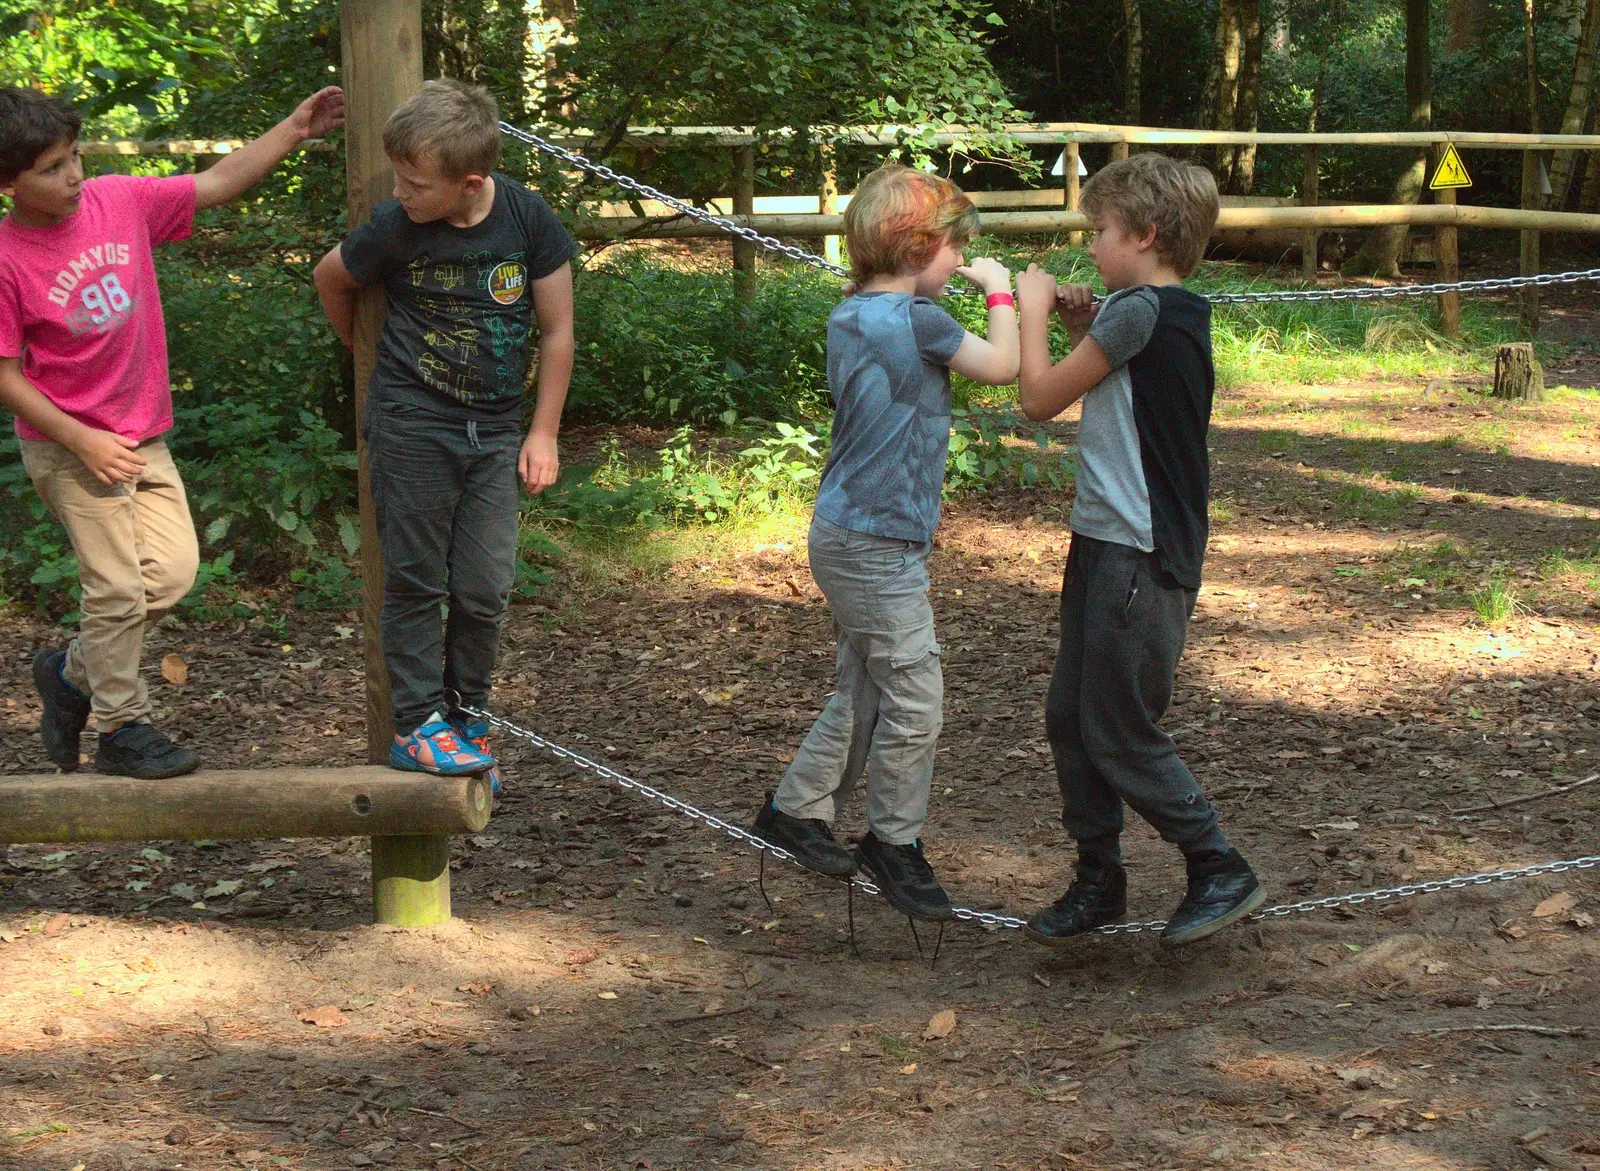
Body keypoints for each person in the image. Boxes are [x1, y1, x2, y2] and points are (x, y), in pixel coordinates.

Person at [1, 83, 345, 779]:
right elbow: (5, 374)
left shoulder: (117, 200)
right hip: (69, 449)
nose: (72, 175)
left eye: (74, 157)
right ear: (7, 182)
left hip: (141, 437)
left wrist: (293, 126)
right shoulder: (7, 256)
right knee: (118, 590)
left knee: (173, 574)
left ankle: (70, 675)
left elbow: (216, 182)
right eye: (51, 168)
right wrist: (80, 440)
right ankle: (123, 728)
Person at [750, 164, 1019, 922]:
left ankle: (797, 810)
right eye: (954, 251)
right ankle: (894, 843)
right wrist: (1004, 293)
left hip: (848, 532)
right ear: (915, 249)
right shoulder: (916, 321)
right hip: (874, 541)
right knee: (916, 695)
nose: (962, 262)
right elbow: (1002, 366)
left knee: (866, 688)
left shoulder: (852, 311)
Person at [1013, 152, 1263, 949]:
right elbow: (1122, 382)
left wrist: (1027, 307)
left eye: (1101, 231)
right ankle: (1099, 880)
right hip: (1102, 543)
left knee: (1117, 727)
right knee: (1069, 718)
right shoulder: (1149, 310)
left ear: (1145, 234)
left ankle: (1217, 861)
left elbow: (1039, 399)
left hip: (1139, 555)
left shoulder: (1141, 309)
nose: (1091, 246)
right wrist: (1084, 325)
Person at [313, 79, 576, 782]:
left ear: (470, 183)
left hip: (493, 431)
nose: (401, 192)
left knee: (487, 583)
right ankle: (417, 724)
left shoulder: (526, 218)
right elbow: (330, 278)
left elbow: (557, 330)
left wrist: (542, 431)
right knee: (415, 579)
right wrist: (372, 367)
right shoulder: (398, 226)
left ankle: (467, 711)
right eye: (399, 177)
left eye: (415, 183)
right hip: (413, 424)